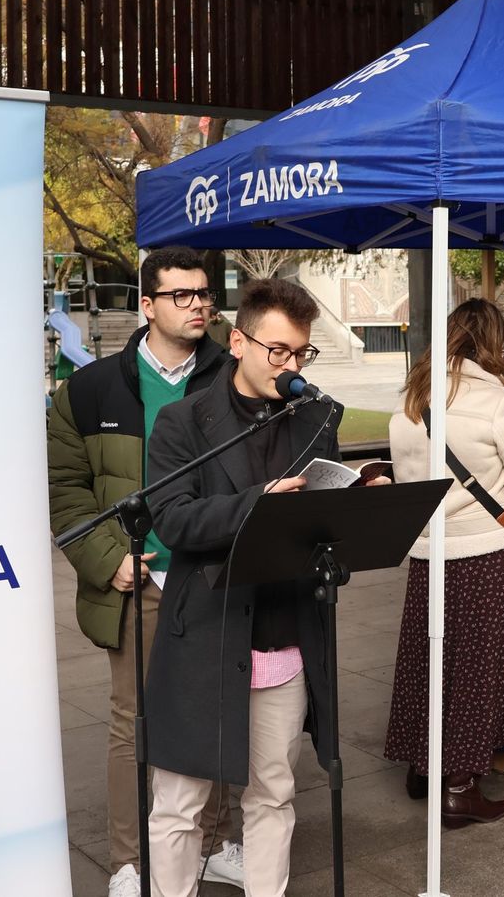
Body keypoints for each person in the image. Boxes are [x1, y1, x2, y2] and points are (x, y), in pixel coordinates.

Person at [143, 278, 352, 897]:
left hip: (284, 634)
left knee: (273, 794)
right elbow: (173, 519)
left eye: (302, 353)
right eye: (278, 351)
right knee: (178, 806)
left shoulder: (314, 419)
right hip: (206, 635)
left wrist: (353, 505)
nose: (292, 367)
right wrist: (257, 502)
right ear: (238, 342)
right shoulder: (183, 420)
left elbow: (321, 520)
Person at [46, 247, 243, 897]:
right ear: (148, 305)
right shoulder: (89, 390)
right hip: (141, 581)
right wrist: (110, 560)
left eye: (204, 293)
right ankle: (131, 863)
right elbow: (65, 489)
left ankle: (214, 844)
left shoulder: (233, 377)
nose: (198, 305)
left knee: (219, 712)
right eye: (181, 295)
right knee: (134, 722)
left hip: (216, 576)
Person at [384, 299, 504, 825]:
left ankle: (423, 768)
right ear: (494, 341)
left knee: (428, 664)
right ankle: (460, 786)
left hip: (428, 553)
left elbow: (409, 485)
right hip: (484, 554)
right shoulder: (498, 402)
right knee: (479, 672)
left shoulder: (412, 400)